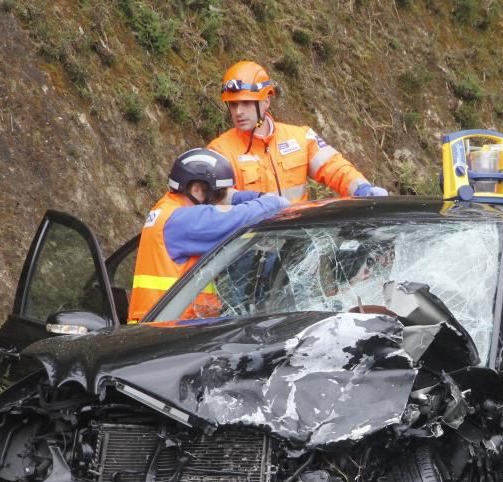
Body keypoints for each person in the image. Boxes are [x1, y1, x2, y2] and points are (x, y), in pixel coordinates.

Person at [129, 148, 289, 323]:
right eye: (219, 193)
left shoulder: (168, 211)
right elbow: (260, 210)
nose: (222, 199)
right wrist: (265, 199)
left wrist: (228, 195)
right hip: (169, 330)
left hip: (165, 326)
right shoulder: (186, 220)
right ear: (197, 189)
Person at [208, 60, 388, 203]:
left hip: (298, 241)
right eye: (233, 104)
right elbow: (214, 198)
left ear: (266, 101)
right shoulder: (219, 151)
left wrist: (362, 189)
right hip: (254, 244)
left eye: (246, 103)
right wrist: (251, 200)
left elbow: (335, 168)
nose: (238, 112)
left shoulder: (301, 137)